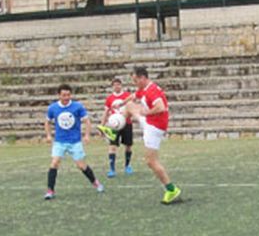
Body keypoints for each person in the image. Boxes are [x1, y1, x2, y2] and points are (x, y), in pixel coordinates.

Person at [115, 67, 181, 204]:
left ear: (142, 78)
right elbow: (133, 96)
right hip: (150, 122)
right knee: (129, 106)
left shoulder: (152, 91)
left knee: (151, 161)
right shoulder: (145, 89)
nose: (134, 83)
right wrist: (121, 103)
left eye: (135, 80)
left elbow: (161, 107)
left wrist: (146, 113)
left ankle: (171, 189)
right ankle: (113, 130)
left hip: (154, 127)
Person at [44, 84, 104, 200]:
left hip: (75, 141)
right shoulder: (53, 108)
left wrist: (87, 135)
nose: (66, 97)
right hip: (59, 141)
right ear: (59, 95)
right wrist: (48, 135)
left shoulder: (77, 106)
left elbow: (87, 121)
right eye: (63, 95)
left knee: (81, 165)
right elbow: (47, 122)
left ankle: (95, 182)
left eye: (68, 95)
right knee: (54, 163)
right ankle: (50, 190)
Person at [102, 77, 134, 178]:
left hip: (126, 123)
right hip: (113, 125)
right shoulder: (109, 99)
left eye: (118, 84)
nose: (117, 86)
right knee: (112, 146)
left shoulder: (127, 96)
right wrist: (102, 125)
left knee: (128, 146)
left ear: (121, 85)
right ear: (112, 87)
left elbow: (131, 108)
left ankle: (127, 165)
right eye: (115, 85)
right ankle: (112, 169)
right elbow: (106, 112)